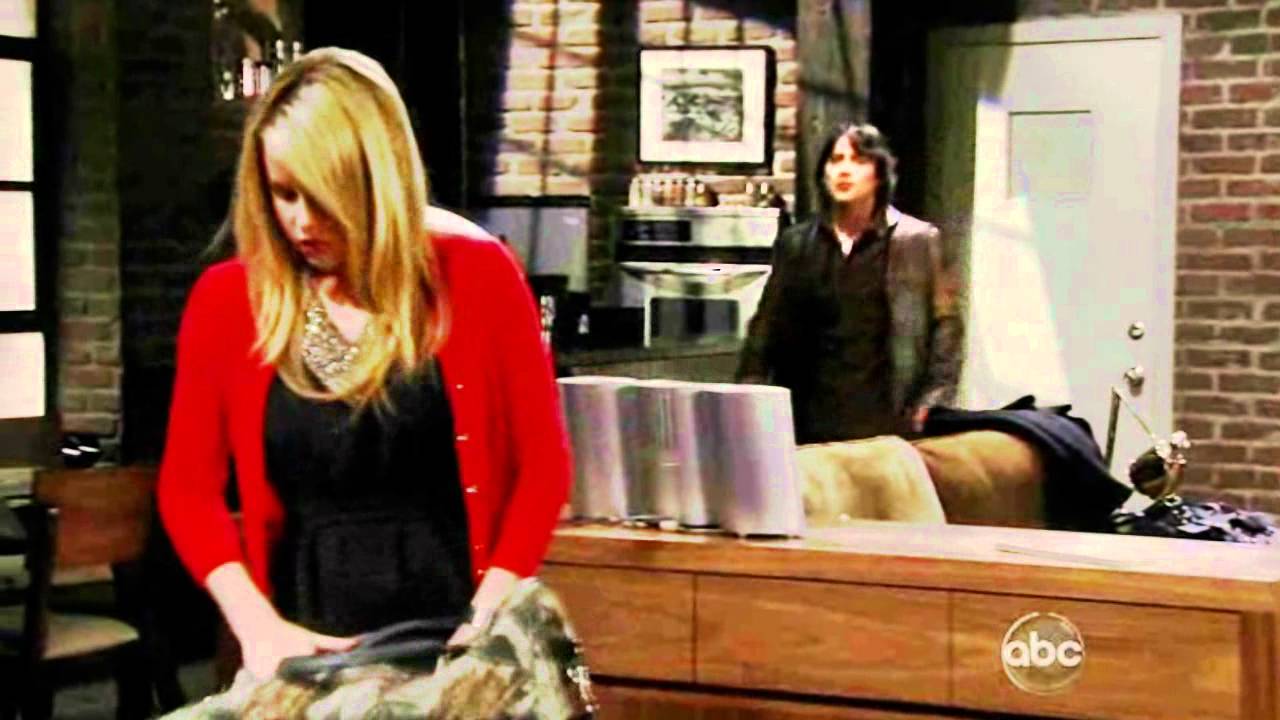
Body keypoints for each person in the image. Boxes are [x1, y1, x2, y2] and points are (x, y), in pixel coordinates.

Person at [156, 47, 571, 680]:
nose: (302, 221)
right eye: (284, 193)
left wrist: (486, 618)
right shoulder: (226, 302)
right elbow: (187, 491)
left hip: (454, 637)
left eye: (324, 197)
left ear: (376, 181)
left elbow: (543, 468)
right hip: (300, 640)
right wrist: (256, 626)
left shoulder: (479, 277)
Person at [736, 123, 963, 444]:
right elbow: (766, 327)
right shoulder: (797, 243)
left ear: (880, 173)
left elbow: (946, 326)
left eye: (858, 160)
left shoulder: (916, 241)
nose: (844, 170)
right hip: (807, 416)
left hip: (884, 417)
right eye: (836, 160)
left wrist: (934, 400)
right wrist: (750, 392)